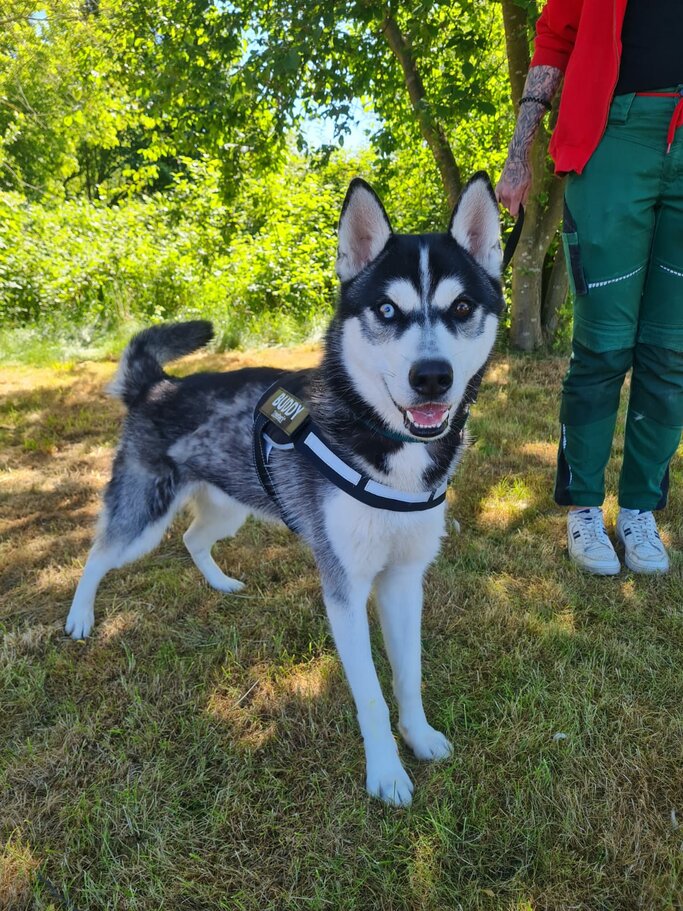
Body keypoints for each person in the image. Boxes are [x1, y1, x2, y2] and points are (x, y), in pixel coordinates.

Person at [497, 0, 683, 575]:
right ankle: (582, 508)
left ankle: (639, 510)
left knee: (672, 349)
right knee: (602, 344)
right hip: (612, 137)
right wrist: (518, 151)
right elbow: (554, 39)